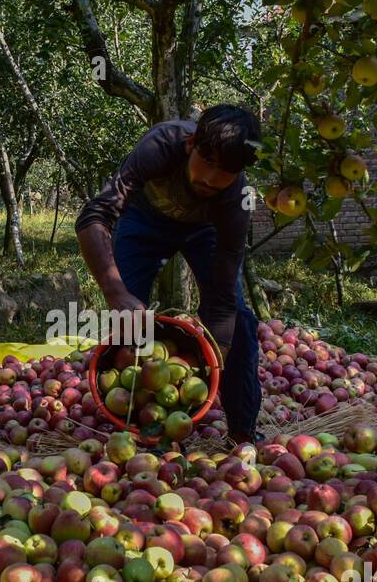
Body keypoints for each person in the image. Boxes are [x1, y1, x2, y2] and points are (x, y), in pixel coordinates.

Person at [75, 104, 263, 443]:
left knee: (242, 326)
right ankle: (131, 421)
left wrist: (211, 360)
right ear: (191, 144)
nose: (210, 178)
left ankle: (242, 434)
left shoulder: (236, 203)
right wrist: (115, 292)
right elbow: (95, 215)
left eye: (225, 173)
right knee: (129, 324)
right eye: (206, 162)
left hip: (206, 231)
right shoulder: (160, 146)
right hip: (144, 220)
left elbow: (221, 298)